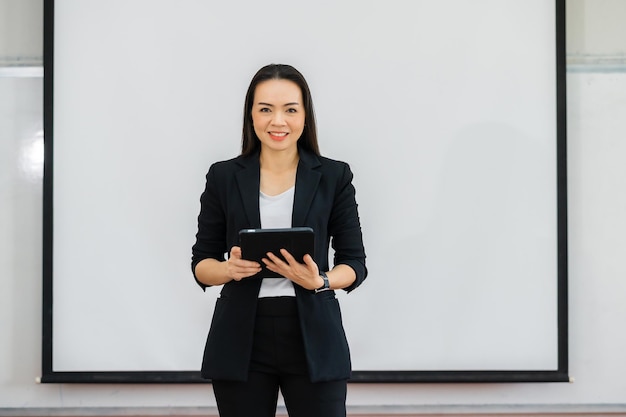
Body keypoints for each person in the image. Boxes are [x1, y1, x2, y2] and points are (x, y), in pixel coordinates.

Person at [191, 64, 367, 417]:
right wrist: (228, 269)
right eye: (265, 109)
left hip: (313, 334)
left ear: (305, 115)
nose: (278, 121)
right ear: (251, 115)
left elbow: (355, 263)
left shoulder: (334, 176)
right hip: (242, 336)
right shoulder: (223, 177)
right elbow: (201, 265)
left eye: (290, 109)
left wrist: (320, 281)